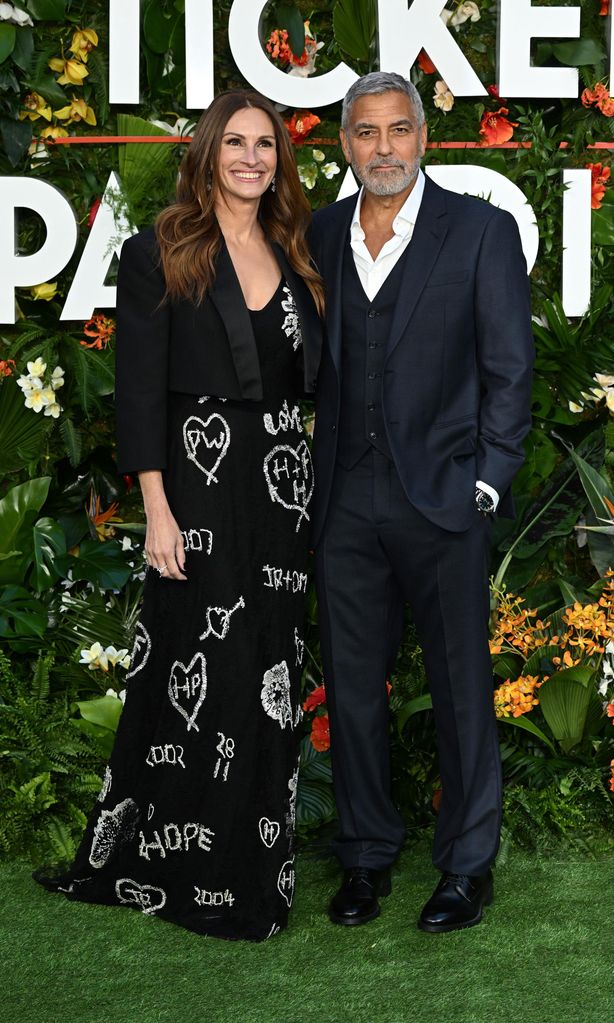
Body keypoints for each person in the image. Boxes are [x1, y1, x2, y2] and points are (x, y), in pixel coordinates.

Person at [34, 90, 323, 942]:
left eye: (264, 144)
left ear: (280, 158)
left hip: (280, 482)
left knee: (270, 669)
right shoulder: (160, 248)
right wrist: (156, 508)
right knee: (204, 672)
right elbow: (138, 391)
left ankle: (252, 865)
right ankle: (181, 865)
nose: (250, 158)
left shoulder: (291, 244)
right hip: (196, 488)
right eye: (234, 142)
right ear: (206, 153)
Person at [309, 72, 533, 933]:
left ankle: (466, 867)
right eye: (366, 134)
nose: (384, 148)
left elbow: (510, 369)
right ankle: (365, 856)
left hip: (444, 500)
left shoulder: (480, 230)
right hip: (345, 505)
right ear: (345, 144)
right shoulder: (323, 232)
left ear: (423, 137)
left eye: (399, 129)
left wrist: (487, 480)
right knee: (354, 690)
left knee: (460, 689)